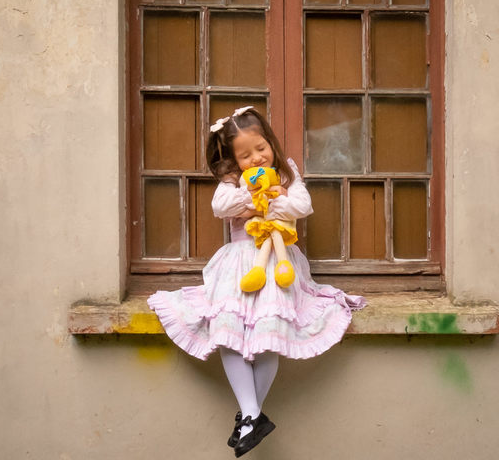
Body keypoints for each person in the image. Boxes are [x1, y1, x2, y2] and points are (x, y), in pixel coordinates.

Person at [147, 106, 366, 457]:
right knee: (228, 336)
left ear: (270, 142)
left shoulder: (285, 173)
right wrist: (253, 199)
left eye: (260, 148)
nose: (255, 158)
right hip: (240, 263)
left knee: (269, 337)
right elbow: (222, 206)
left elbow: (301, 206)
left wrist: (275, 198)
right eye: (245, 155)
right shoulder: (233, 180)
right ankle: (251, 415)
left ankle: (250, 417)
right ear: (234, 160)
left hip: (279, 261)